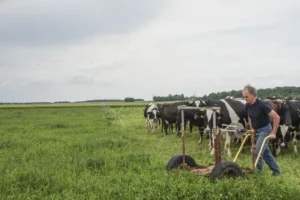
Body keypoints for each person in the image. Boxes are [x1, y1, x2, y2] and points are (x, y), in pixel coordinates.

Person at [242, 84, 281, 176]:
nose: (244, 98)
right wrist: (252, 129)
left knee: (257, 152)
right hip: (256, 130)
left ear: (253, 95)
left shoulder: (262, 105)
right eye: (243, 96)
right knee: (265, 152)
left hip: (265, 130)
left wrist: (274, 133)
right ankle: (276, 171)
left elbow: (276, 117)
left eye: (246, 96)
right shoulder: (247, 105)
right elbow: (250, 117)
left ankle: (258, 174)